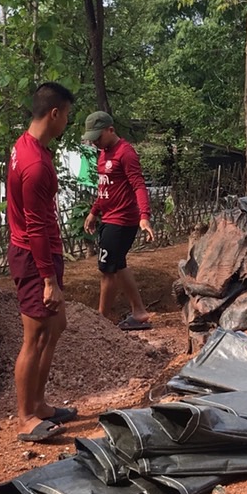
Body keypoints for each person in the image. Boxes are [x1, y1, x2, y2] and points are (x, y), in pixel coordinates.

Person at [7, 82, 78, 443]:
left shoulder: (26, 146)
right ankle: (25, 417)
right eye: (67, 115)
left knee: (56, 326)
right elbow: (34, 226)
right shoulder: (34, 164)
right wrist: (48, 279)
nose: (67, 121)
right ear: (54, 113)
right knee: (34, 337)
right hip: (34, 255)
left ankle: (39, 403)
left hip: (43, 252)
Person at [80, 111, 156, 330]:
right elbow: (105, 188)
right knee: (118, 264)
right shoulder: (103, 153)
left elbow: (138, 185)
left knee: (107, 270)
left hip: (122, 220)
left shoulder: (126, 153)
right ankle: (139, 312)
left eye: (98, 137)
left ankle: (101, 321)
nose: (95, 142)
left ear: (110, 130)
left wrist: (144, 216)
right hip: (109, 217)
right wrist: (94, 211)